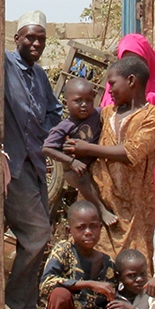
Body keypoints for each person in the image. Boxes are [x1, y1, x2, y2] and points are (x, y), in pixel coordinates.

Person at [67, 55, 155, 263]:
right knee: (95, 265)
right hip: (99, 203)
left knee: (132, 268)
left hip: (134, 210)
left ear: (131, 81)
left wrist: (89, 149)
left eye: (112, 83)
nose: (109, 90)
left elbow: (132, 153)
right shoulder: (104, 114)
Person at [3, 10, 62, 309]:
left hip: (36, 165)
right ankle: (14, 302)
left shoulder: (39, 75)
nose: (36, 43)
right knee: (37, 233)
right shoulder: (3, 65)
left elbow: (54, 110)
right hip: (12, 165)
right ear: (17, 39)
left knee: (40, 236)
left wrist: (51, 133)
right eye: (30, 37)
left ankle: (24, 305)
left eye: (41, 38)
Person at [101, 34, 155, 262]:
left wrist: (87, 149)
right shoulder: (110, 99)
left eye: (137, 58)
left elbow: (136, 149)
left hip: (153, 166)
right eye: (126, 58)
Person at [42, 78, 115, 226]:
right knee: (81, 178)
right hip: (75, 169)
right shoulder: (65, 126)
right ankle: (101, 210)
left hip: (95, 162)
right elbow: (47, 148)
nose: (84, 105)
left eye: (89, 100)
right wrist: (71, 161)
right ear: (65, 102)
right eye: (78, 101)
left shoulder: (98, 114)